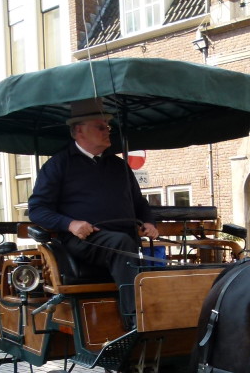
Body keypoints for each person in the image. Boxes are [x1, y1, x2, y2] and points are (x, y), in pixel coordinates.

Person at [27, 98, 158, 329]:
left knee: (140, 248)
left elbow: (139, 202)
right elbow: (37, 210)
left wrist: (148, 221)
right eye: (100, 127)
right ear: (79, 131)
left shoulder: (119, 166)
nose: (107, 131)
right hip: (83, 241)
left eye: (107, 127)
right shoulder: (58, 165)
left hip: (125, 240)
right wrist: (70, 224)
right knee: (121, 243)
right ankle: (136, 322)